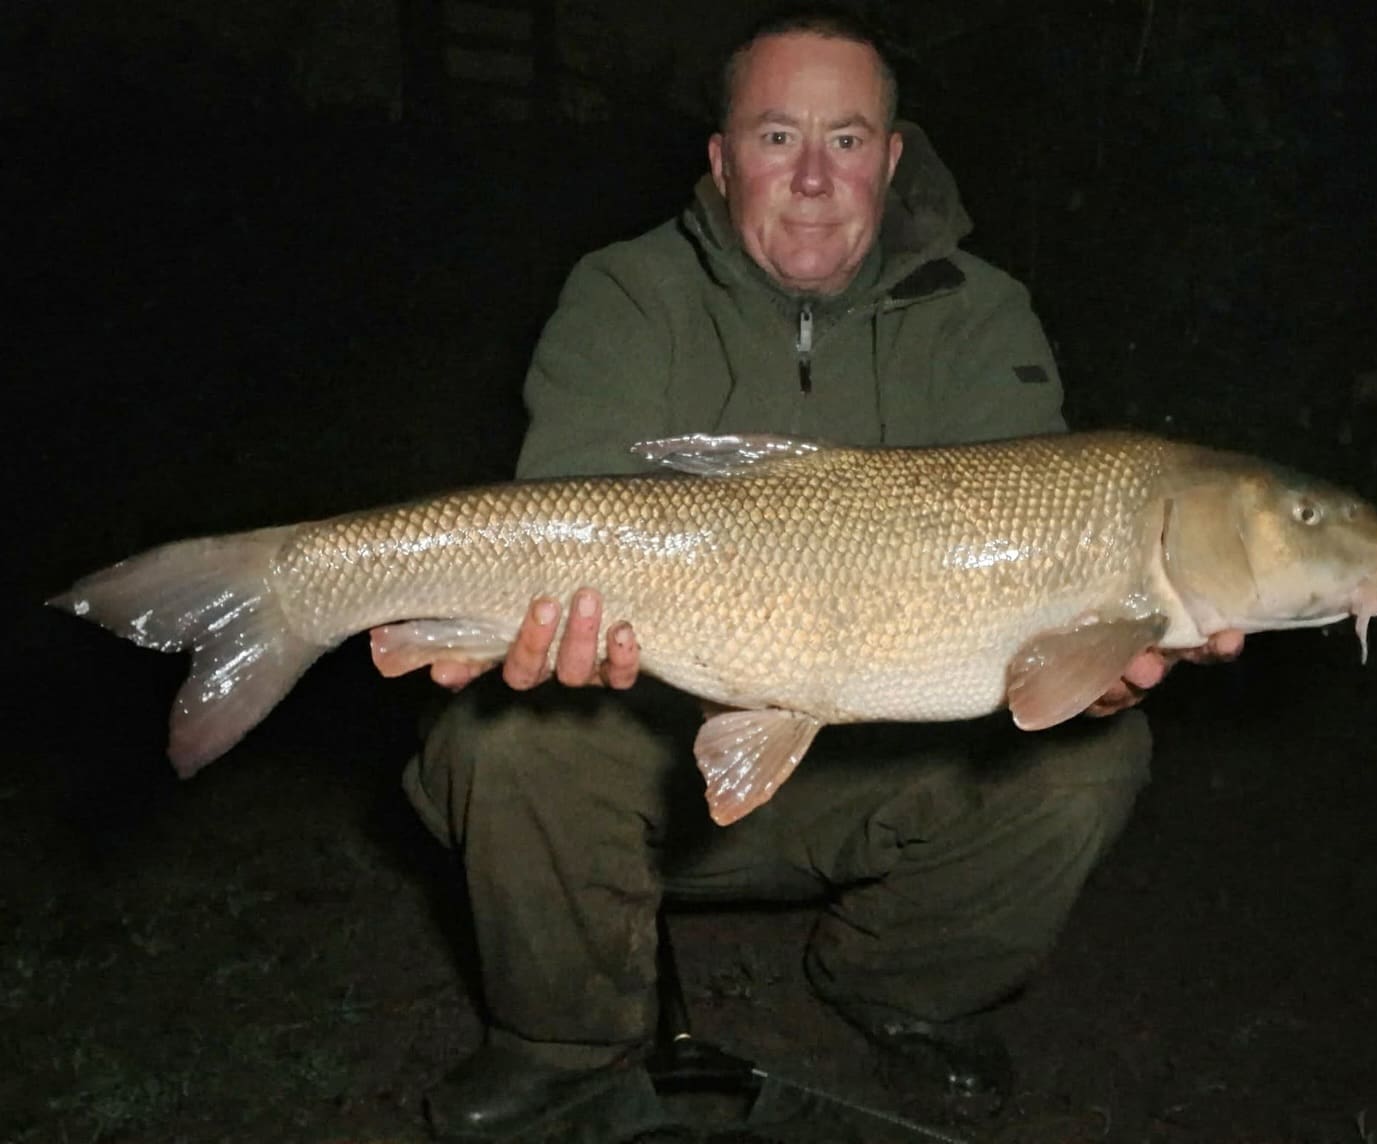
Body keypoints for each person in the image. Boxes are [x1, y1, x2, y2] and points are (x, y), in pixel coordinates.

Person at [393, 8, 1242, 1139]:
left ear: (891, 161)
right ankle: (565, 1036)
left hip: (876, 771)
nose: (809, 176)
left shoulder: (982, 317)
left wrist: (1103, 670)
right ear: (721, 157)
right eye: (774, 136)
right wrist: (548, 635)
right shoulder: (627, 292)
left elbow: (1047, 615)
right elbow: (576, 520)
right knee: (504, 738)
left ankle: (901, 984)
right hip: (637, 757)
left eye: (845, 141)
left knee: (1095, 754)